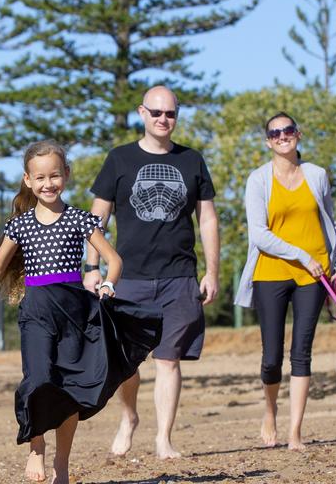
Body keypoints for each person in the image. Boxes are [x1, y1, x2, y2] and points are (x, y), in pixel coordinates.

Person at [0, 141, 160, 484]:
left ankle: (62, 466)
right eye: (40, 177)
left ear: (66, 174)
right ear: (27, 180)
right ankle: (36, 447)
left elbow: (115, 260)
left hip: (76, 314)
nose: (48, 183)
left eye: (55, 175)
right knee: (38, 381)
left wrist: (109, 286)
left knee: (70, 392)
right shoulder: (18, 226)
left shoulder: (80, 219)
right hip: (36, 313)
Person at [85, 85, 219, 459]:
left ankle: (164, 438)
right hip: (128, 276)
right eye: (157, 113)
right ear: (142, 113)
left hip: (179, 276)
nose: (163, 119)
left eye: (170, 113)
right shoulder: (119, 159)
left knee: (168, 359)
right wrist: (93, 266)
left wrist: (212, 271)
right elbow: (98, 216)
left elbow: (207, 219)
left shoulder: (192, 161)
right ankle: (129, 417)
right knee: (126, 361)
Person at [233, 111, 336, 451]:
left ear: (298, 134)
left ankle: (295, 432)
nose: (282, 136)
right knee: (272, 357)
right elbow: (259, 235)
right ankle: (270, 411)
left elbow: (330, 221)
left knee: (302, 353)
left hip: (315, 275)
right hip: (272, 273)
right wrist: (302, 255)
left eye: (288, 130)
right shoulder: (258, 180)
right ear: (268, 140)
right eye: (275, 133)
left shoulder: (317, 175)